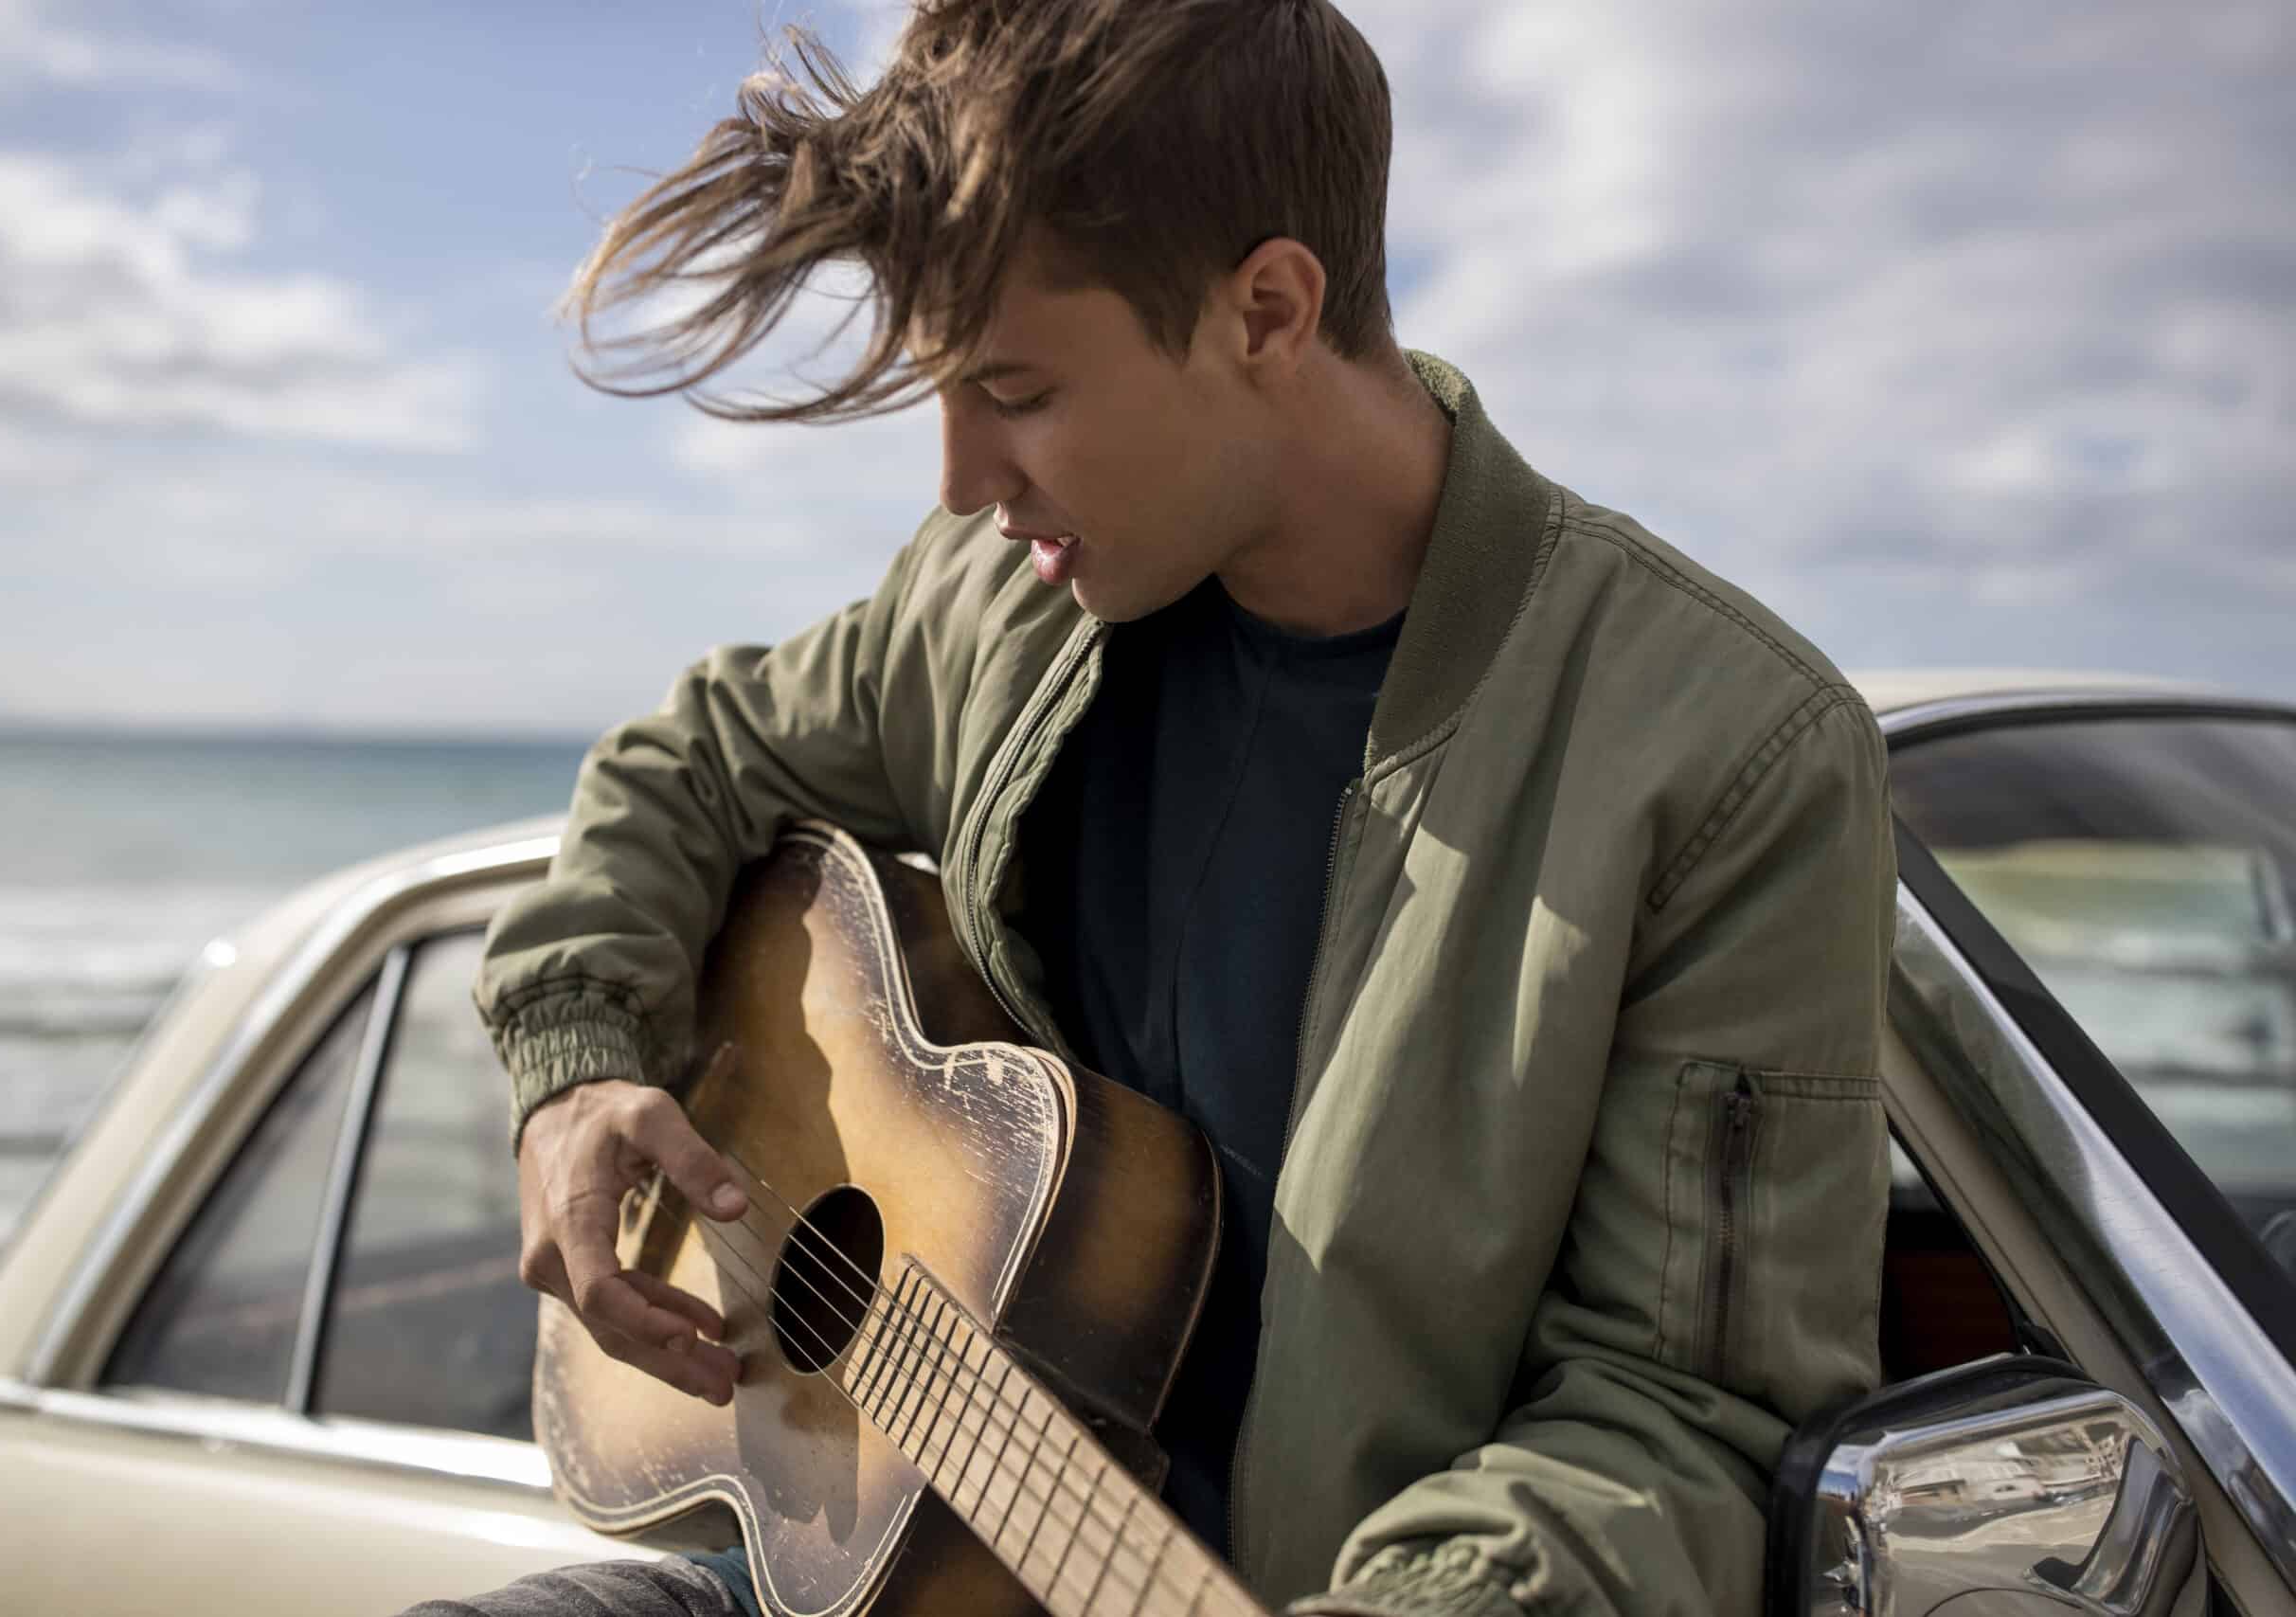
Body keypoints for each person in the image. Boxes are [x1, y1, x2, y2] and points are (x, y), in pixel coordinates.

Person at [413, 1, 1894, 1613]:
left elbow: (1686, 1421)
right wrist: (576, 1058)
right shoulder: (996, 603)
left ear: (1268, 308)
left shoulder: (1722, 754)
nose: (962, 482)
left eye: (1017, 392)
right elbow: (697, 754)